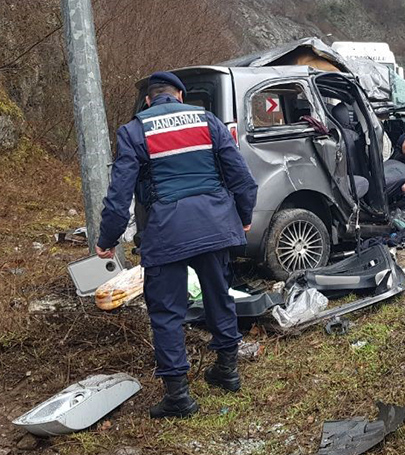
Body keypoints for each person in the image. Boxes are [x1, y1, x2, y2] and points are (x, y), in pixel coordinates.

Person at [95, 71, 258, 419]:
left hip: (166, 231)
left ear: (150, 100)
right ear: (181, 96)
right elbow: (242, 178)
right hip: (214, 226)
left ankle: (178, 396)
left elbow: (119, 193)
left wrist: (107, 240)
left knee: (167, 311)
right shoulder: (208, 121)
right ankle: (227, 370)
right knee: (218, 294)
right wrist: (243, 217)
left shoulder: (135, 130)